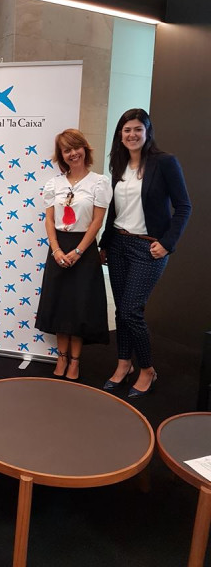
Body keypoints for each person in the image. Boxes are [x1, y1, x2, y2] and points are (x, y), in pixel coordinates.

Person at [99, 108, 191, 397]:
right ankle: (123, 363)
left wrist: (167, 243)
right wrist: (104, 243)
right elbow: (115, 210)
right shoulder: (119, 164)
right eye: (127, 130)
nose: (132, 134)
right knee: (121, 313)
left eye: (138, 129)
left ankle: (147, 369)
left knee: (130, 310)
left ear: (147, 131)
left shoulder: (164, 163)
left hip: (148, 247)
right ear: (120, 135)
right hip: (117, 245)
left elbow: (184, 207)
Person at [35, 129, 112, 381]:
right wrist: (56, 249)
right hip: (58, 247)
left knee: (79, 307)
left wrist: (79, 251)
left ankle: (75, 361)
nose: (72, 153)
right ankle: (61, 357)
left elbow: (97, 221)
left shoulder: (99, 182)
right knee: (59, 305)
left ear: (85, 149)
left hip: (84, 249)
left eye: (76, 148)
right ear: (61, 156)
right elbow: (49, 220)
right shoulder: (53, 184)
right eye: (66, 150)